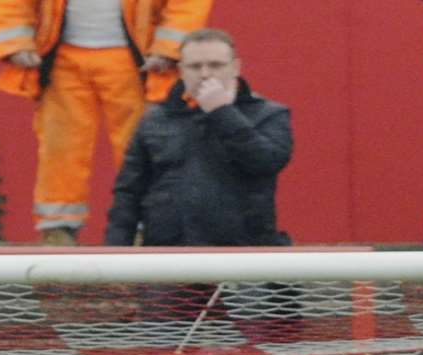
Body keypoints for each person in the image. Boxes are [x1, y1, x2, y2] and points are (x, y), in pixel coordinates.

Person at [0, 0, 214, 243]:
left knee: (139, 147)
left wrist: (168, 49)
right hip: (64, 59)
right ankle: (58, 230)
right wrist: (17, 44)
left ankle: (145, 226)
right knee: (61, 148)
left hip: (135, 61)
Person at [106, 28, 291, 248]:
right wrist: (116, 253)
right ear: (181, 71)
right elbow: (128, 194)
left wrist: (222, 112)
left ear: (235, 68)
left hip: (244, 257)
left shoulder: (268, 114)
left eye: (215, 65)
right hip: (168, 260)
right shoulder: (156, 119)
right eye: (195, 66)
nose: (205, 74)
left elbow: (265, 162)